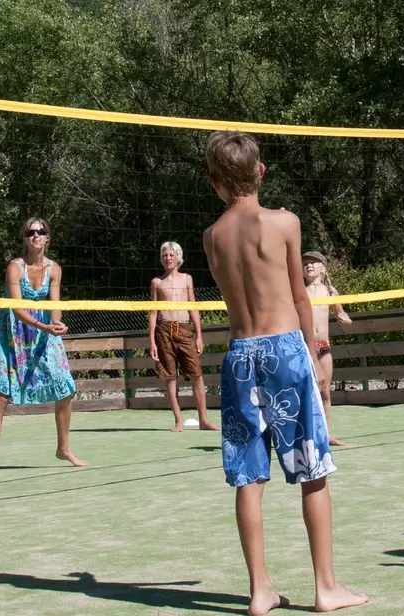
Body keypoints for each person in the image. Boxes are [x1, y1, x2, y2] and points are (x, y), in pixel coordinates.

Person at [201, 131, 366, 616]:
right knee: (312, 470)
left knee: (248, 477)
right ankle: (326, 587)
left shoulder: (212, 237)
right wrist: (314, 359)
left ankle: (260, 590)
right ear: (261, 171)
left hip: (239, 355)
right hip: (285, 350)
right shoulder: (284, 222)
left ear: (214, 183)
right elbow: (298, 296)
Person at [0, 216, 86, 476]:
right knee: (0, 398)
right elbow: (17, 310)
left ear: (48, 237)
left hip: (43, 331)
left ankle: (63, 448)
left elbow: (54, 307)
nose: (36, 235)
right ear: (25, 239)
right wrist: (46, 327)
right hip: (13, 332)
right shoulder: (15, 267)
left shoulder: (55, 269)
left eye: (41, 231)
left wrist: (58, 325)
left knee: (65, 388)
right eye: (30, 232)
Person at [149, 240, 212, 433]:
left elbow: (193, 307)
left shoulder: (187, 279)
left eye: (171, 254)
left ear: (178, 257)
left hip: (184, 329)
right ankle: (178, 420)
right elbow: (153, 312)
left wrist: (199, 335)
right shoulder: (157, 282)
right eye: (165, 255)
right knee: (169, 376)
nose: (168, 258)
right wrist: (151, 341)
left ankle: (204, 420)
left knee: (196, 374)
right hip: (163, 330)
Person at [301, 251, 352, 449]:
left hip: (323, 347)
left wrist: (346, 320)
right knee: (305, 393)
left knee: (325, 392)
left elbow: (343, 315)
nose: (309, 265)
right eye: (305, 263)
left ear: (323, 267)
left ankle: (327, 435)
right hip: (305, 347)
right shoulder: (299, 291)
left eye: (313, 262)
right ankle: (306, 435)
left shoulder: (330, 291)